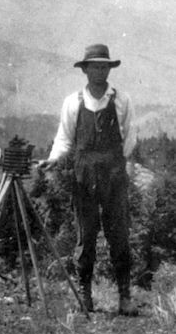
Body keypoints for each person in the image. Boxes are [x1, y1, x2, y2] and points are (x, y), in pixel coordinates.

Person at [40, 43, 138, 316]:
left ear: (109, 68)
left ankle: (125, 296)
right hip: (83, 176)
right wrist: (53, 159)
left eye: (104, 66)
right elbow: (64, 138)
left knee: (119, 235)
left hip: (114, 175)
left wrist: (116, 164)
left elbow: (129, 137)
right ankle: (85, 295)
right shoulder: (73, 102)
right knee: (86, 237)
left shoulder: (121, 100)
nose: (99, 70)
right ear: (85, 70)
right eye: (94, 66)